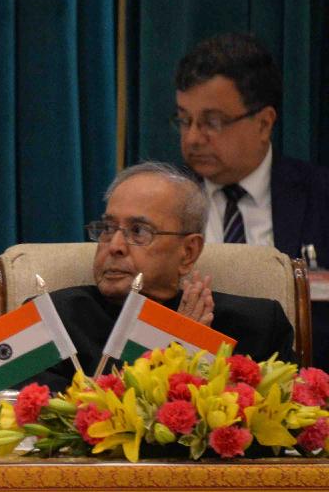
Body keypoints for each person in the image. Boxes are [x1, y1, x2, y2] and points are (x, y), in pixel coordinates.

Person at [37, 162, 295, 390]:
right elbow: (37, 416)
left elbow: (283, 419)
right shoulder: (51, 319)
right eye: (107, 228)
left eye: (138, 231)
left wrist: (197, 352)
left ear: (188, 252)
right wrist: (171, 350)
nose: (115, 246)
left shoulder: (257, 326)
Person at [174, 32, 329, 367]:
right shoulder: (162, 203)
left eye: (212, 122)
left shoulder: (320, 196)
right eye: (185, 120)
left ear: (264, 123)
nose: (193, 137)